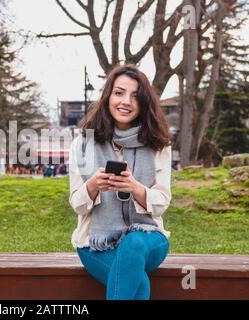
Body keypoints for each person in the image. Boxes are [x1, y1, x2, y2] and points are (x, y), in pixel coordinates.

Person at [69, 64, 172, 300]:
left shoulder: (158, 145)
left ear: (144, 103)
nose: (126, 101)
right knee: (139, 284)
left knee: (134, 243)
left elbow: (162, 202)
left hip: (148, 239)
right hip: (95, 245)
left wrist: (136, 189)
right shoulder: (83, 145)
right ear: (107, 97)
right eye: (119, 93)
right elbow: (77, 204)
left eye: (135, 97)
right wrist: (93, 186)